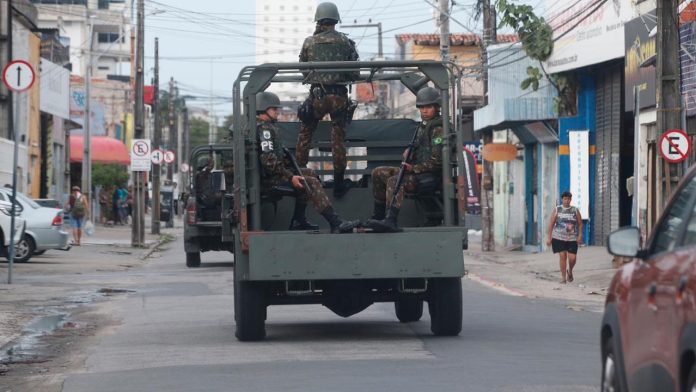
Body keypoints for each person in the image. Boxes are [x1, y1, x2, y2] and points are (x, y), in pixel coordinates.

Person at [256, 91, 357, 233]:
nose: (277, 112)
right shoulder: (264, 129)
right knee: (310, 182)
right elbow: (268, 160)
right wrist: (290, 177)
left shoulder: (267, 127)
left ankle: (298, 219)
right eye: (274, 109)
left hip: (274, 175)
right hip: (271, 180)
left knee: (309, 173)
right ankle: (336, 223)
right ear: (262, 109)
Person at [296, 1, 360, 198]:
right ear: (336, 20)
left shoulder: (309, 41)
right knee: (338, 138)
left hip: (318, 95)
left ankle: (299, 174)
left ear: (318, 20)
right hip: (339, 96)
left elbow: (302, 69)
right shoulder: (346, 42)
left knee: (306, 132)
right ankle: (339, 182)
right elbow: (355, 72)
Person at [366, 87, 445, 233]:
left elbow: (437, 162)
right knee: (378, 173)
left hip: (428, 177)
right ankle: (379, 216)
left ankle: (391, 220)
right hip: (417, 173)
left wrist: (413, 168)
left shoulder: (438, 129)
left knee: (394, 180)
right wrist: (410, 152)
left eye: (428, 107)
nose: (424, 111)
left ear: (437, 107)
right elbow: (421, 151)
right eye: (421, 107)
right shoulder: (423, 127)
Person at [546, 191, 583, 284]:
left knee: (572, 258)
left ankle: (570, 271)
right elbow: (551, 224)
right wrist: (549, 237)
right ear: (562, 199)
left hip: (572, 238)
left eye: (568, 199)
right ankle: (563, 278)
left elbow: (580, 223)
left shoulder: (575, 210)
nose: (566, 201)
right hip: (558, 237)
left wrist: (580, 235)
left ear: (570, 200)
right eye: (565, 199)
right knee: (562, 256)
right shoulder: (557, 209)